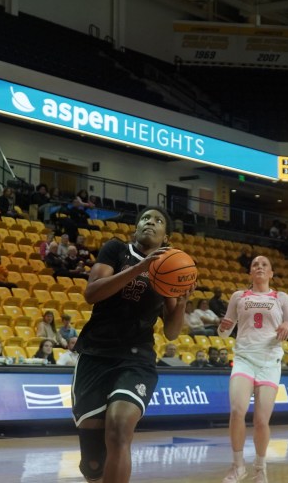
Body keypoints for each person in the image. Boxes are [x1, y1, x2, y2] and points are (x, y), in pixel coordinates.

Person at [72, 206, 188, 483]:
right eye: (145, 218)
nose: (150, 222)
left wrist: (182, 301)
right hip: (95, 354)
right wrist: (138, 269)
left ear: (166, 237)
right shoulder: (116, 250)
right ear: (135, 228)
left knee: (120, 428)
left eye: (158, 220)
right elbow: (92, 293)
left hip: (136, 358)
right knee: (93, 462)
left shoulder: (169, 267)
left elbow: (171, 332)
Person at [217, 255, 288, 483]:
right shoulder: (238, 296)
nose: (260, 267)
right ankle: (237, 466)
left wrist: (287, 326)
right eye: (255, 264)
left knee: (262, 421)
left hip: (269, 363)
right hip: (244, 359)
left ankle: (260, 468)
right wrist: (222, 328)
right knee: (237, 411)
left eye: (264, 265)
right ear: (250, 273)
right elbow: (224, 331)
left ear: (271, 273)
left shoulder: (281, 298)